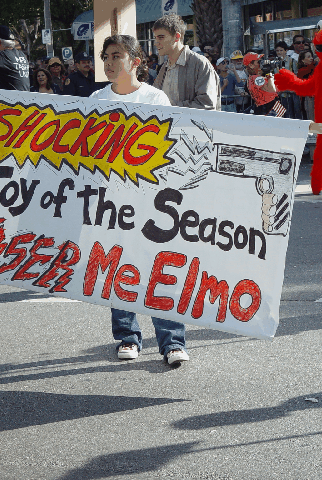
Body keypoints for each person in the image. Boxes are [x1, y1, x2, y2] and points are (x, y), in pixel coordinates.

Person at [89, 33, 188, 366]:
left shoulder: (155, 99)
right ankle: (127, 337)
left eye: (117, 55)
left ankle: (172, 341)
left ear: (135, 60)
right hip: (113, 203)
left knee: (160, 269)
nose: (109, 62)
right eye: (105, 56)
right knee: (119, 267)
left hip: (154, 201)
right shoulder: (96, 100)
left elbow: (174, 146)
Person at [152, 13, 220, 110]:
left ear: (176, 37)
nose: (156, 43)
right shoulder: (164, 67)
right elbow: (155, 98)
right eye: (155, 38)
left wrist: (169, 108)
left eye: (161, 37)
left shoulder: (200, 64)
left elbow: (206, 104)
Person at [242, 52, 279, 116]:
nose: (261, 63)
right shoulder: (255, 78)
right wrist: (268, 73)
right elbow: (271, 89)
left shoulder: (258, 77)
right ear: (251, 65)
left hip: (272, 107)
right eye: (259, 62)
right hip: (267, 109)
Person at [297, 50, 316, 120]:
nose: (311, 58)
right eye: (308, 57)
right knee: (311, 118)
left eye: (311, 56)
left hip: (316, 97)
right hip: (308, 98)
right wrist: (315, 63)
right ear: (303, 60)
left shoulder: (314, 66)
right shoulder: (301, 71)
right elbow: (309, 70)